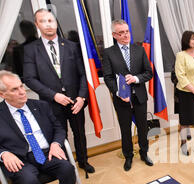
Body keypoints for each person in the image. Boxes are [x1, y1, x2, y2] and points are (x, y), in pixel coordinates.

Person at [23, 9, 94, 175]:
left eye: (51, 20)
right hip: (51, 104)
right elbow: (30, 79)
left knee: (80, 134)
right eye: (43, 21)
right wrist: (54, 95)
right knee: (59, 136)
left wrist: (82, 97)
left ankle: (83, 162)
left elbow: (83, 74)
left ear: (55, 22)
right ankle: (67, 167)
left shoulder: (71, 46)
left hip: (75, 101)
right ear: (37, 25)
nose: (48, 24)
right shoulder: (31, 50)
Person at [102, 19, 153, 171]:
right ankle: (128, 156)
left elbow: (148, 73)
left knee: (143, 128)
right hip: (121, 99)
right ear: (114, 35)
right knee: (125, 129)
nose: (125, 35)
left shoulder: (139, 50)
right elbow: (108, 77)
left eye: (127, 31)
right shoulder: (108, 53)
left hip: (140, 97)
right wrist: (118, 92)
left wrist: (136, 78)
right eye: (121, 33)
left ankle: (144, 153)